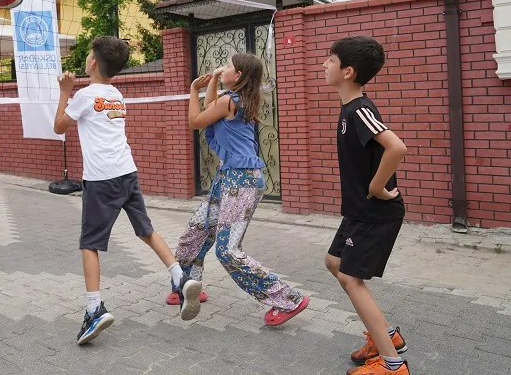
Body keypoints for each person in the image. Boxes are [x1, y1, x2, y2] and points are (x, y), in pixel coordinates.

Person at [54, 36, 202, 345]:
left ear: (92, 62)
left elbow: (58, 126)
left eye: (89, 54)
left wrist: (64, 92)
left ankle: (94, 309)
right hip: (127, 173)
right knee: (146, 230)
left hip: (101, 179)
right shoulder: (117, 95)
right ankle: (180, 277)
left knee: (89, 243)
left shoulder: (82, 96)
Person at [171, 53, 309, 326]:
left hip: (242, 180)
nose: (223, 69)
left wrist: (193, 89)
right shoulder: (234, 99)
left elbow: (196, 121)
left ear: (240, 77)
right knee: (196, 231)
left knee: (228, 251)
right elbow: (211, 108)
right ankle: (187, 287)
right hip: (229, 176)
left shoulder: (229, 101)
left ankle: (287, 298)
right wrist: (211, 81)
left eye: (229, 67)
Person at [323, 36, 409, 375]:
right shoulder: (350, 108)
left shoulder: (359, 109)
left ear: (347, 71)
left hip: (376, 212)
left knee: (350, 277)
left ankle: (392, 365)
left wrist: (376, 184)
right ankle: (386, 336)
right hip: (359, 210)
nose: (323, 65)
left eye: (329, 60)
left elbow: (396, 147)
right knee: (335, 262)